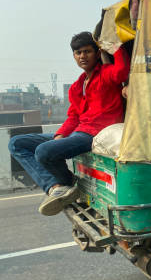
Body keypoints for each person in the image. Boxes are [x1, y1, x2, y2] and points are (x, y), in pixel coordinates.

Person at [8, 32, 130, 216]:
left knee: (43, 152)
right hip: (77, 133)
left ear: (97, 53)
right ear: (74, 56)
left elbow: (122, 71)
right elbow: (73, 117)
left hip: (95, 135)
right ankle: (56, 187)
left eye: (87, 51)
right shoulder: (77, 86)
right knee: (17, 143)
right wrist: (59, 135)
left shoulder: (106, 74)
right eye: (78, 52)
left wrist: (116, 47)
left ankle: (71, 185)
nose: (82, 56)